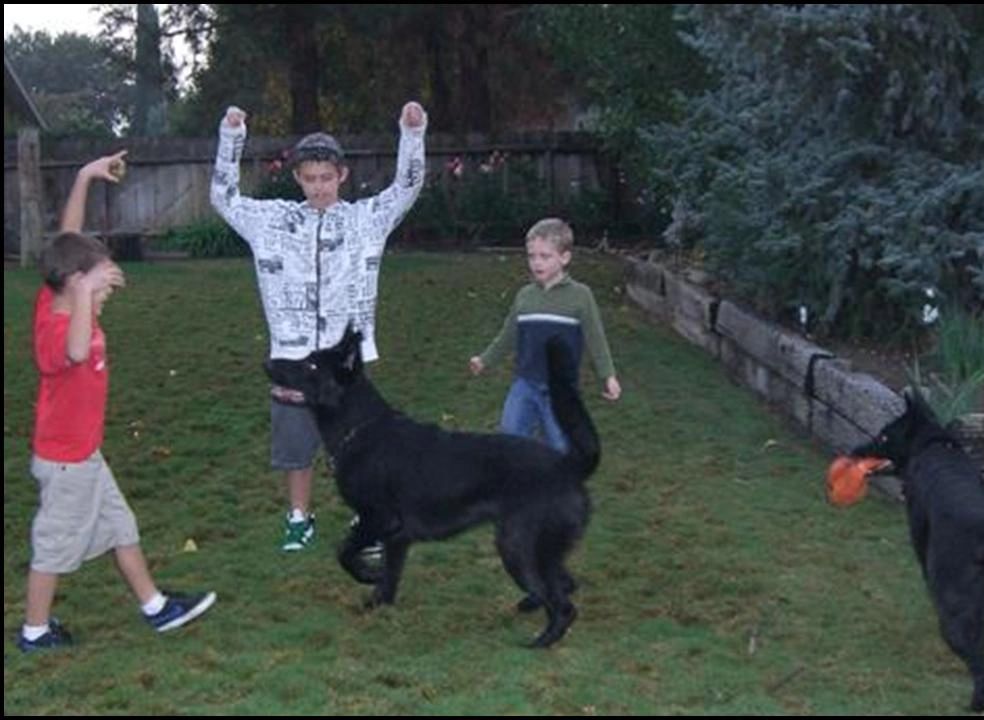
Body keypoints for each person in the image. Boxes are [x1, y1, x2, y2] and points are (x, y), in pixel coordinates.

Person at [19, 153, 216, 652]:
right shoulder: (56, 327)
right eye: (97, 282)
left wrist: (84, 175)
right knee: (53, 547)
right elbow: (76, 351)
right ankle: (34, 632)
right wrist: (89, 291)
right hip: (66, 464)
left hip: (83, 455)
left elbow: (66, 240)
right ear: (74, 285)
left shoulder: (56, 290)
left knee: (121, 526)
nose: (108, 289)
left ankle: (155, 607)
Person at [210, 102, 427, 551]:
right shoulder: (272, 222)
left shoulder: (366, 220)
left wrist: (412, 132)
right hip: (293, 358)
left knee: (358, 445)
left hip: (344, 360)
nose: (319, 187)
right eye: (309, 179)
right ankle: (298, 517)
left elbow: (407, 186)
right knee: (296, 443)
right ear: (298, 179)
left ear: (341, 176)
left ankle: (370, 520)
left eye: (326, 178)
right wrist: (232, 137)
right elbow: (223, 197)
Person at [470, 217, 622, 450]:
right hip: (525, 384)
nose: (536, 263)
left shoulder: (581, 296)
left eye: (545, 256)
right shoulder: (525, 296)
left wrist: (608, 375)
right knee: (510, 440)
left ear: (564, 258)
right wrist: (485, 359)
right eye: (532, 256)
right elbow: (508, 334)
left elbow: (596, 337)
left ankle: (557, 484)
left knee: (561, 447)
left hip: (560, 392)